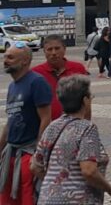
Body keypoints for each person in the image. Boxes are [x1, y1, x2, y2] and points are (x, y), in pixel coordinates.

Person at [31, 75, 111, 204]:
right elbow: (89, 171)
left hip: (47, 199)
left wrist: (57, 184)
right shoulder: (87, 128)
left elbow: (35, 166)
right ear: (85, 100)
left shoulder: (52, 126)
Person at [1, 44, 52, 205]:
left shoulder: (36, 82)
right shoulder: (12, 86)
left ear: (24, 61)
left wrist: (38, 153)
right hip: (11, 151)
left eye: (10, 57)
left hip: (28, 152)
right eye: (5, 56)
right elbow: (10, 121)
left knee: (27, 197)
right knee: (7, 196)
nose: (5, 60)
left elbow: (46, 118)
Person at [31, 35, 89, 122]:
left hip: (75, 123)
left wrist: (87, 122)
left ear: (64, 49)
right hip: (47, 124)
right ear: (44, 52)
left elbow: (87, 99)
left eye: (57, 48)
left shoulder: (78, 68)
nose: (53, 53)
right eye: (49, 49)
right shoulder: (36, 73)